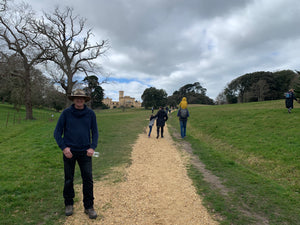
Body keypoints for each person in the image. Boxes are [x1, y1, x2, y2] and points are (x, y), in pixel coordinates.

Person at [54, 89, 99, 219]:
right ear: (73, 99)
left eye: (82, 98)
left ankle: (89, 207)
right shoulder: (66, 113)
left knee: (88, 180)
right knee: (69, 179)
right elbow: (57, 133)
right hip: (69, 152)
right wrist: (64, 148)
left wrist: (92, 147)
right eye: (76, 98)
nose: (79, 100)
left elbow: (95, 132)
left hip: (86, 152)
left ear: (85, 100)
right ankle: (68, 204)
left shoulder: (90, 114)